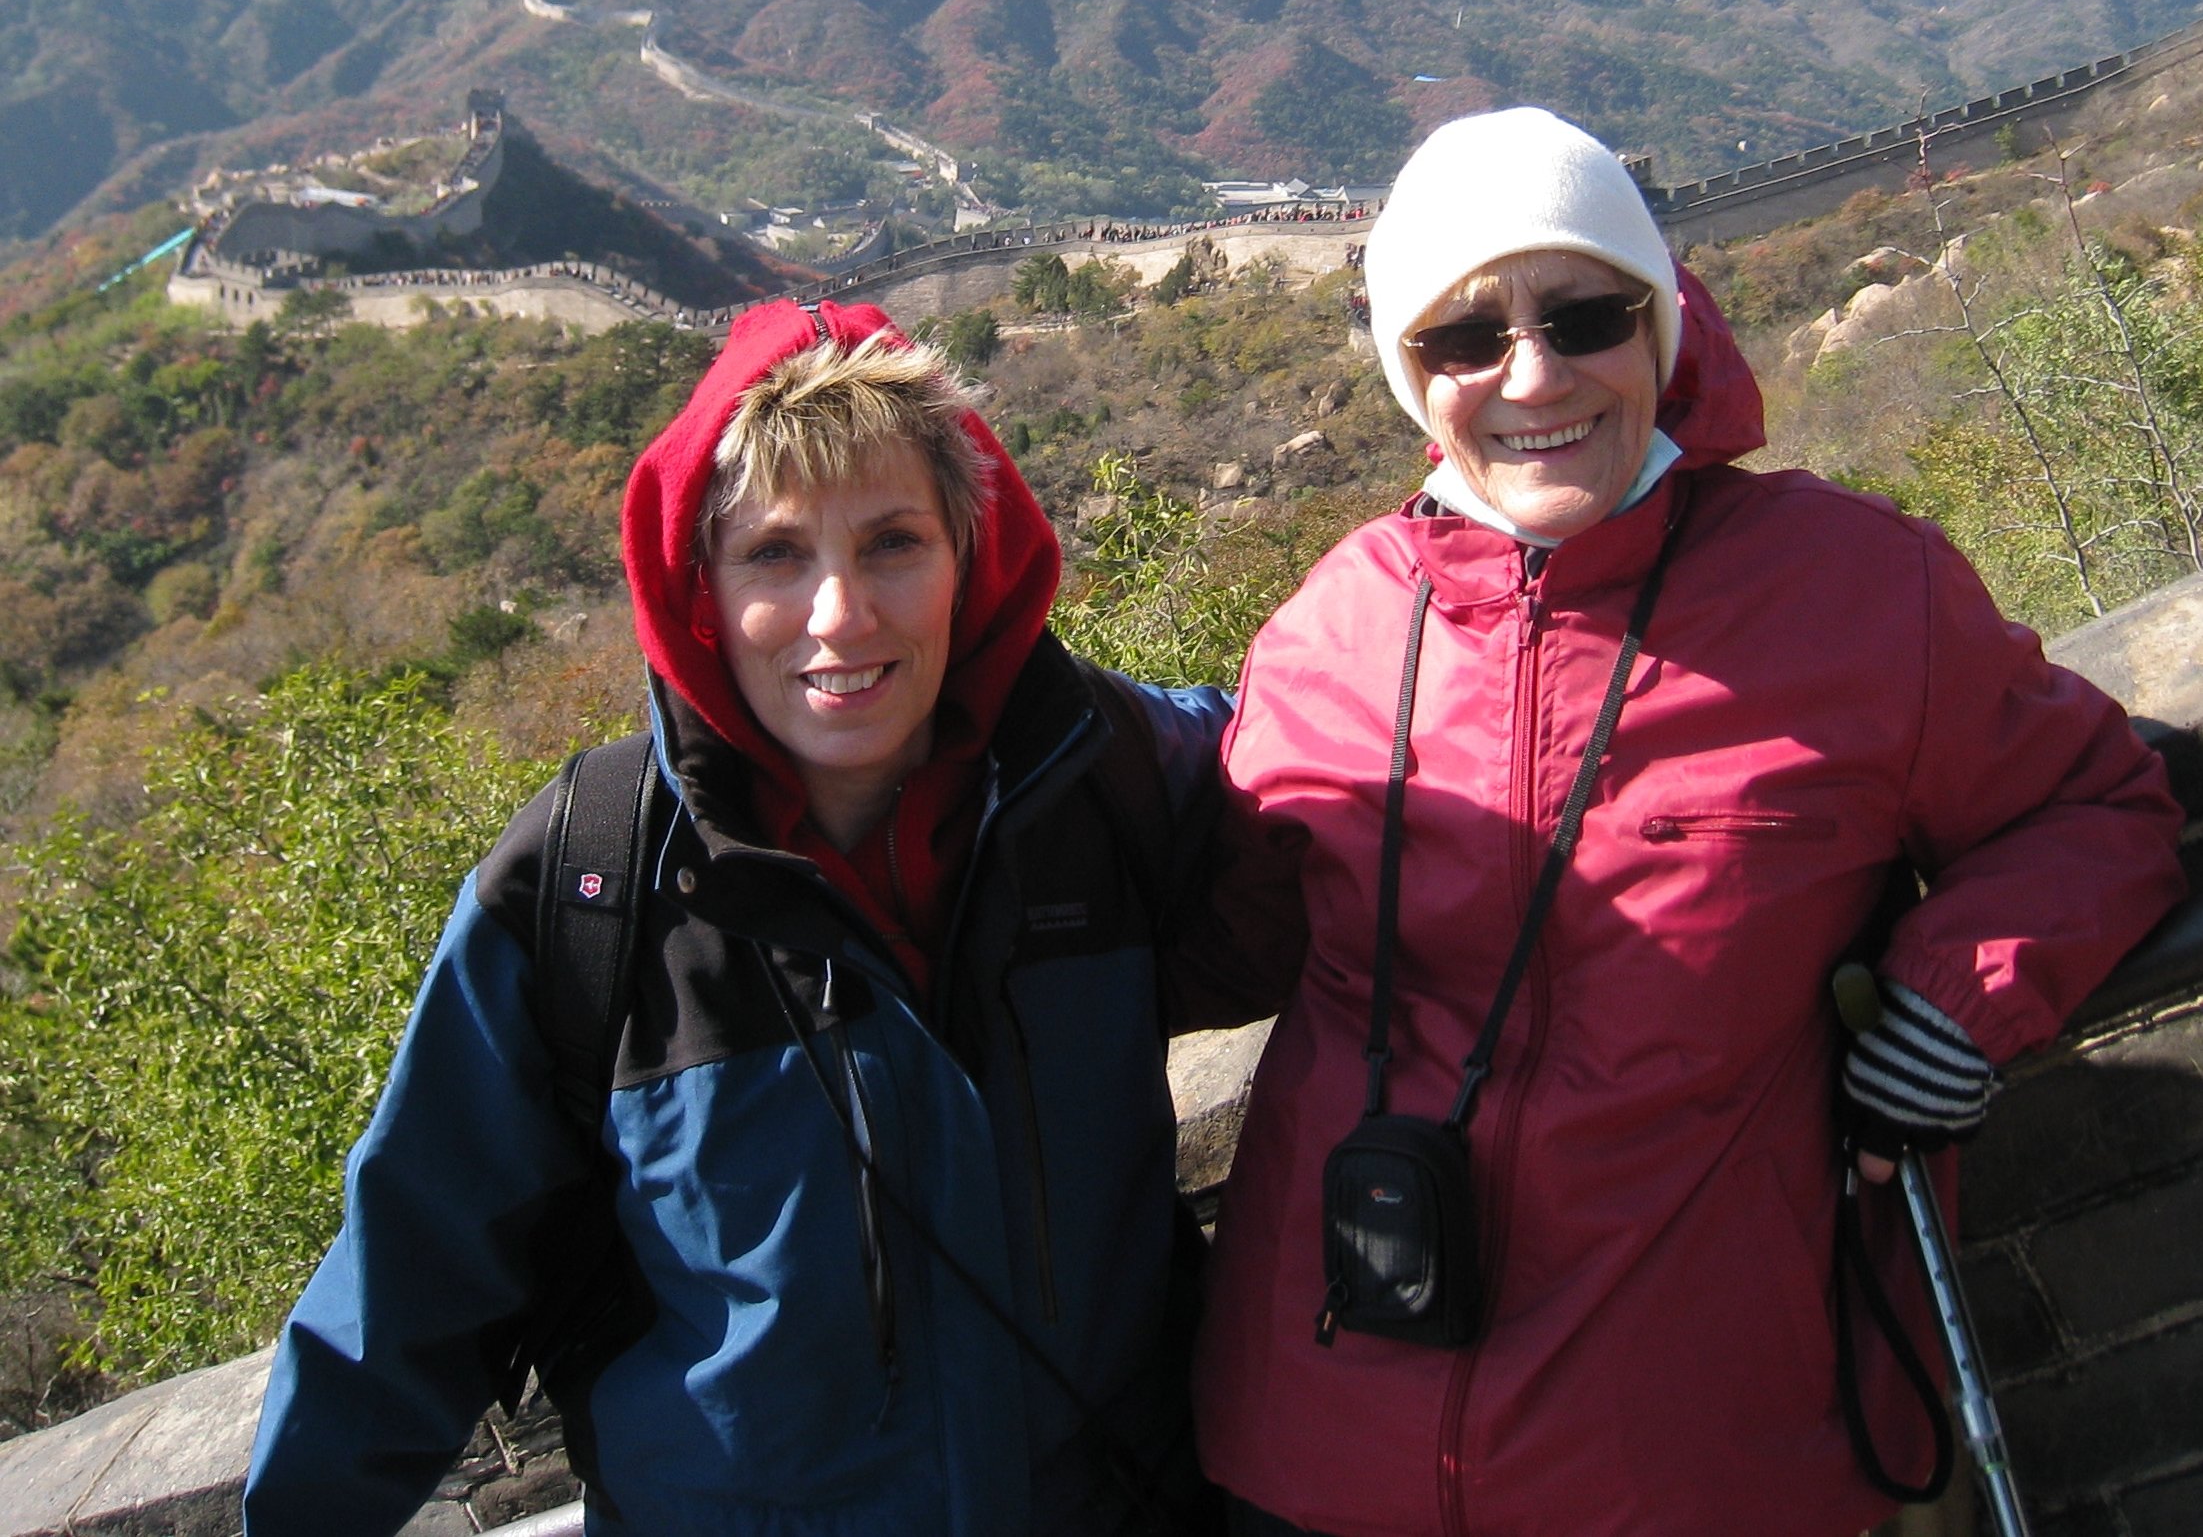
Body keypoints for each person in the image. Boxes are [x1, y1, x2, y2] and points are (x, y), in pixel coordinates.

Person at [1192, 109, 2186, 1537]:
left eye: (1584, 312)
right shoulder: (1328, 627)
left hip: (1695, 1452)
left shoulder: (1854, 592)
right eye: (1462, 338)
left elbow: (2091, 802)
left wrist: (1958, 1001)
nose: (1530, 373)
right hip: (1319, 1437)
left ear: (1659, 326)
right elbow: (1217, 919)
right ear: (1405, 376)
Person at [245, 297, 1262, 1537]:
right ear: (701, 593)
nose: (842, 615)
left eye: (893, 541)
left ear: (969, 558)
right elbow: (410, 1281)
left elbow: (1358, 752)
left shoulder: (1097, 779)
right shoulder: (591, 886)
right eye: (775, 555)